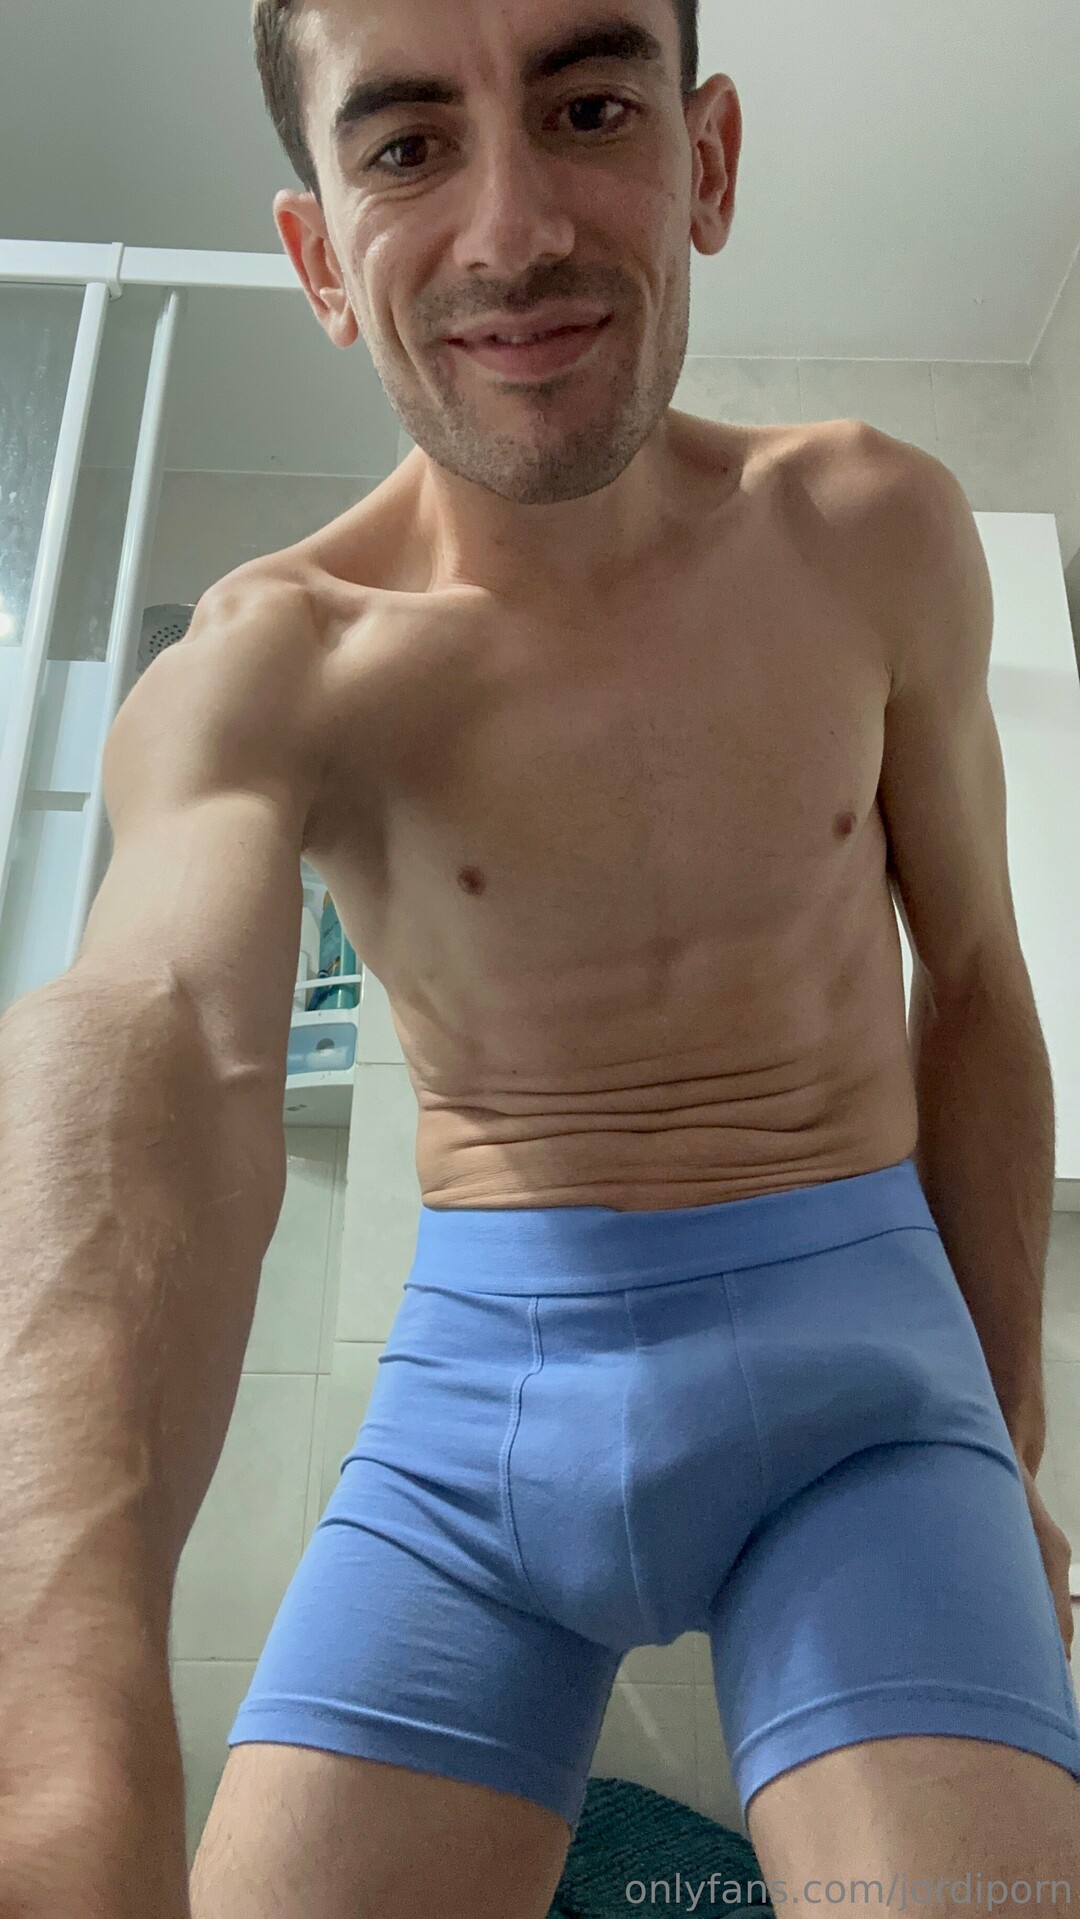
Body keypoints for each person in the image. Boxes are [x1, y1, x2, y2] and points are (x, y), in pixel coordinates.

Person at [1, 1, 1077, 1916]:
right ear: (320, 256)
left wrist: (1005, 1432)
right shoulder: (273, 658)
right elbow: (142, 1030)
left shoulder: (875, 530)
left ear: (707, 158)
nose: (513, 230)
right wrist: (49, 1739)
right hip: (477, 1436)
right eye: (409, 145)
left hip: (873, 1403)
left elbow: (981, 986)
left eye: (587, 107)